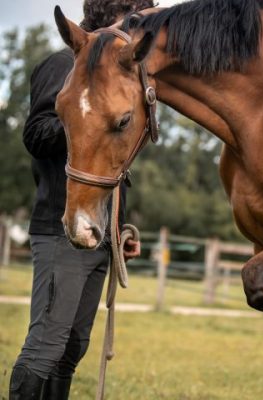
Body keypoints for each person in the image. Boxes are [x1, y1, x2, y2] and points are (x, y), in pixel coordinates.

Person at [9, 1, 154, 399]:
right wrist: (82, 115)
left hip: (100, 231)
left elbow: (111, 157)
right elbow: (36, 134)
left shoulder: (120, 74)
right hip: (61, 225)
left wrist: (121, 224)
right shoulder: (64, 64)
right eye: (141, 17)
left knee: (72, 349)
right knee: (46, 346)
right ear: (118, 17)